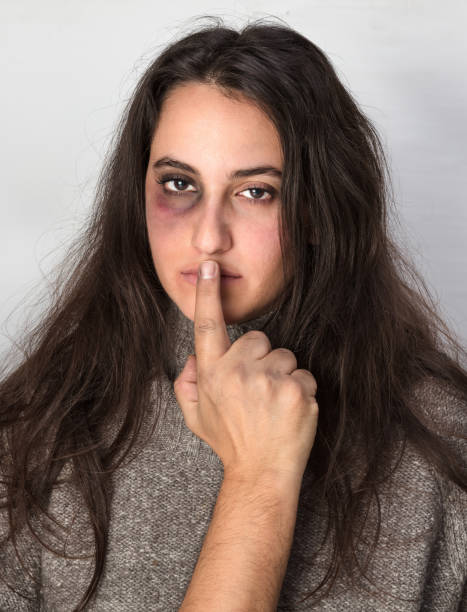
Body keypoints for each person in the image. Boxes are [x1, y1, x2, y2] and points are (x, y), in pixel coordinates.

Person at [1, 16, 466, 611]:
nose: (208, 238)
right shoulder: (36, 436)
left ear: (321, 210)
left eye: (255, 192)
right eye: (178, 184)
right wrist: (259, 482)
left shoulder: (444, 447)